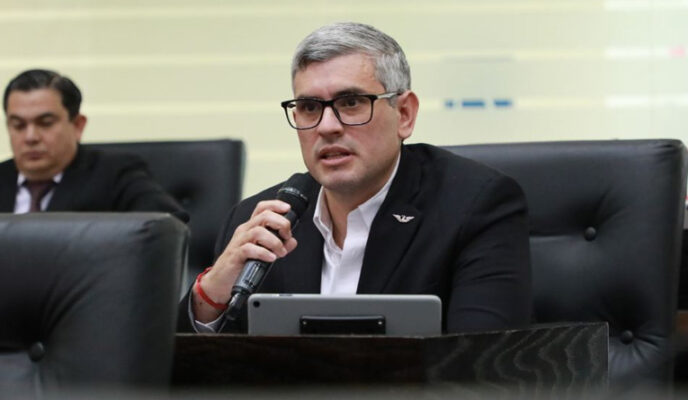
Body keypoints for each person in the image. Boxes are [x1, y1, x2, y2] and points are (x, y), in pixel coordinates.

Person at [177, 22, 531, 333]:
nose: (327, 127)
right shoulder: (258, 222)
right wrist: (210, 296)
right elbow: (189, 370)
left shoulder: (476, 207)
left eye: (350, 103)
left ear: (404, 114)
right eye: (310, 108)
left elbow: (482, 364)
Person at [0, 69, 188, 222]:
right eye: (18, 125)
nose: (31, 137)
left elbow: (169, 223)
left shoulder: (115, 175)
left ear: (77, 125)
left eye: (46, 123)